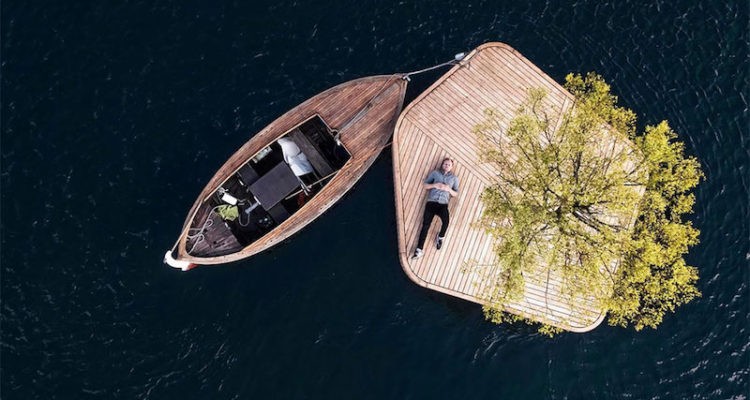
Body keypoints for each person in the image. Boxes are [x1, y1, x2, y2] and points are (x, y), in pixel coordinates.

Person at [411, 157, 459, 260]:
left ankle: (440, 237)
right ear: (442, 165)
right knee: (425, 226)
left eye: (449, 165)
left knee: (446, 222)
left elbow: (455, 193)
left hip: (443, 205)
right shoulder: (435, 173)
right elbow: (425, 185)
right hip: (431, 203)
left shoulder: (454, 179)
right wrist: (435, 185)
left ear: (451, 167)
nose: (447, 166)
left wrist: (448, 189)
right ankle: (419, 250)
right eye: (445, 164)